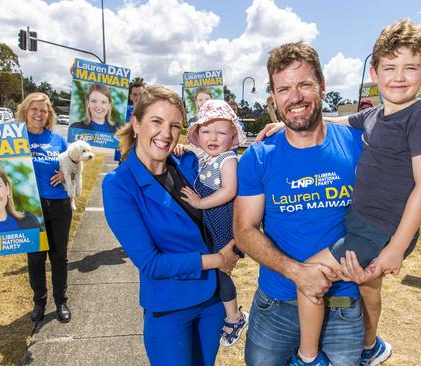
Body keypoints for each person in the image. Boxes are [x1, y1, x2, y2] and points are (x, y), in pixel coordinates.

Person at [257, 20, 421, 365]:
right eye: (389, 67)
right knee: (362, 286)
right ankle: (370, 345)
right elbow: (331, 121)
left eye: (410, 68)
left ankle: (308, 356)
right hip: (360, 222)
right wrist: (286, 124)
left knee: (309, 274)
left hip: (378, 229)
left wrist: (395, 250)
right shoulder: (375, 116)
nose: (399, 77)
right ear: (374, 73)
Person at [234, 41, 365, 366]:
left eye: (304, 84)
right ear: (274, 99)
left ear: (322, 86)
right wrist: (298, 273)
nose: (295, 97)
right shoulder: (259, 157)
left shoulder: (356, 146)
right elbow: (244, 230)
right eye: (284, 89)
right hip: (276, 304)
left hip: (342, 307)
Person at [103, 85, 240, 366]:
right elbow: (151, 263)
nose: (166, 133)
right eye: (157, 121)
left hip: (212, 301)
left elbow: (230, 195)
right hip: (170, 308)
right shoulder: (119, 185)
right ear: (136, 123)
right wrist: (218, 260)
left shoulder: (189, 163)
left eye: (174, 125)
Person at [0, 92, 73, 323]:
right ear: (25, 110)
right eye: (34, 109)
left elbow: (74, 166)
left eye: (44, 110)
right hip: (30, 207)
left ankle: (61, 301)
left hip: (59, 205)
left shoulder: (57, 139)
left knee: (59, 256)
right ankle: (39, 302)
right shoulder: (12, 138)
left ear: (49, 114)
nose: (39, 114)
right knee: (35, 257)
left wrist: (66, 172)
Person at [182, 99, 248, 347]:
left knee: (220, 272)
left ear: (232, 137)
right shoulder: (204, 158)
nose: (213, 137)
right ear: (197, 135)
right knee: (213, 271)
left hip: (224, 229)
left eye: (221, 132)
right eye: (206, 131)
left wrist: (199, 203)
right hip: (211, 228)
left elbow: (229, 190)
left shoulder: (227, 159)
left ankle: (235, 317)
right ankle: (226, 313)